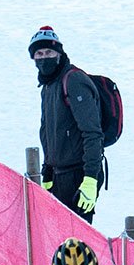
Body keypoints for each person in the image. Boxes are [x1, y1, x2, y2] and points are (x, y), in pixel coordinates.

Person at [28, 26, 105, 222]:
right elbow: (48, 133)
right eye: (39, 53)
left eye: (49, 52)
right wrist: (47, 170)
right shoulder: (47, 86)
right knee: (58, 239)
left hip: (79, 175)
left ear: (59, 53)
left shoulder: (74, 80)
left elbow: (93, 133)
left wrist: (90, 179)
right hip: (59, 176)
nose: (44, 57)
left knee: (76, 243)